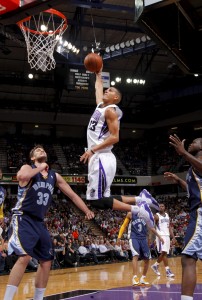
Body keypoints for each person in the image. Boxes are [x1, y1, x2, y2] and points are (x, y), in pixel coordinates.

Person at [3, 145, 95, 300]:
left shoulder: (54, 176)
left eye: (43, 150)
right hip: (23, 218)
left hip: (39, 222)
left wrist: (86, 210)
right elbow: (22, 177)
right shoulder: (28, 167)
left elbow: (72, 195)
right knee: (24, 257)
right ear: (32, 158)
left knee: (46, 260)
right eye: (37, 151)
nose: (41, 151)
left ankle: (38, 298)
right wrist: (40, 168)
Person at [164, 134, 202, 300]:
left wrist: (184, 153)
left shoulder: (197, 162)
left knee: (188, 258)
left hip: (200, 213)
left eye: (195, 141)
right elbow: (193, 188)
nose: (191, 142)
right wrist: (178, 180)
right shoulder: (193, 167)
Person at [80, 67, 122, 200]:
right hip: (97, 156)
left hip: (102, 157)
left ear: (115, 97)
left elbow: (115, 137)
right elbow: (98, 87)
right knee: (102, 199)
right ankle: (139, 200)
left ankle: (137, 204)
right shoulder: (100, 106)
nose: (106, 90)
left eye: (110, 90)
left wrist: (92, 150)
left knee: (97, 201)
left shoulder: (111, 111)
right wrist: (98, 74)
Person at [118, 202, 164, 286]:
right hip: (134, 237)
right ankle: (135, 277)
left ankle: (143, 277)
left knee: (147, 259)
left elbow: (151, 228)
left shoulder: (146, 215)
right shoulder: (130, 214)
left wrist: (158, 237)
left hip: (143, 238)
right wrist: (119, 237)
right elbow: (124, 225)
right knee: (135, 255)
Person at [151, 203, 176, 277]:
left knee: (165, 253)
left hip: (167, 235)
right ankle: (167, 270)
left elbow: (169, 227)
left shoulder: (167, 215)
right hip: (161, 236)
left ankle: (156, 265)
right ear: (158, 208)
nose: (161, 207)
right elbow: (152, 227)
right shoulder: (156, 216)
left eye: (162, 206)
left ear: (165, 207)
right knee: (164, 252)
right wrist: (156, 237)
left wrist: (173, 237)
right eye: (160, 206)